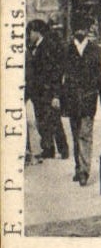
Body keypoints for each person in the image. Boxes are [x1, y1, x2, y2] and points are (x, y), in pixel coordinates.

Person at [61, 23, 101, 186]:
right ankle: (78, 167)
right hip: (71, 99)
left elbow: (99, 76)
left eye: (83, 28)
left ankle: (84, 171)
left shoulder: (95, 50)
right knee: (75, 135)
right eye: (77, 28)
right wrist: (58, 97)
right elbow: (60, 76)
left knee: (85, 135)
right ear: (74, 30)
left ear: (87, 31)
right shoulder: (67, 50)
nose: (80, 31)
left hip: (89, 98)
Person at [26, 20, 69, 161]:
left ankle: (63, 149)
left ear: (37, 32)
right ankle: (48, 148)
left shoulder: (47, 47)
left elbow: (54, 72)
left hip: (47, 92)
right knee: (42, 121)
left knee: (54, 121)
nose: (29, 35)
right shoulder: (36, 47)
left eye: (30, 32)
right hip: (38, 93)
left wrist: (56, 94)